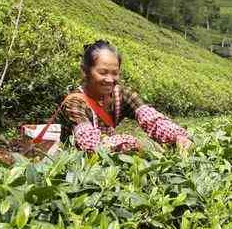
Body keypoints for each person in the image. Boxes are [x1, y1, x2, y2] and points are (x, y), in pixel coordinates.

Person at [62, 40, 193, 153]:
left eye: (115, 73)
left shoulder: (122, 94)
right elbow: (89, 142)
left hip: (109, 161)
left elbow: (150, 118)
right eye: (102, 72)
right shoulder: (75, 102)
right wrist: (131, 143)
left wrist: (178, 136)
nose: (109, 79)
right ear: (85, 71)